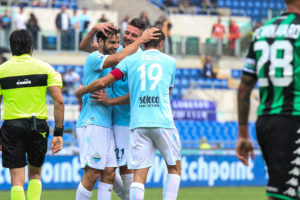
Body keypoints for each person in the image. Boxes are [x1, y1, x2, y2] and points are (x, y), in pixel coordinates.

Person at [76, 28, 181, 200]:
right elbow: (166, 93)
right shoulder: (170, 62)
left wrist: (82, 91)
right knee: (174, 168)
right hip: (162, 121)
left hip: (138, 124)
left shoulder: (130, 60)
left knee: (137, 177)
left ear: (143, 41)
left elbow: (104, 81)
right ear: (162, 43)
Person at [236, 0, 300, 199]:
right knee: (283, 194)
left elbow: (244, 89)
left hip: (266, 123)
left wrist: (243, 134)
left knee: (285, 191)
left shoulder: (261, 32)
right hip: (293, 121)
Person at [80, 18, 147, 200]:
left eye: (135, 35)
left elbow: (136, 94)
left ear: (142, 38)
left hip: (126, 122)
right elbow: (85, 47)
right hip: (107, 121)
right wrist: (94, 28)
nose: (129, 37)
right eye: (128, 33)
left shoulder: (141, 59)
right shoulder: (115, 49)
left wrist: (110, 101)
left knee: (123, 168)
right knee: (107, 171)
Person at [0, 30, 64, 200]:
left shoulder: (2, 71)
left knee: (16, 181)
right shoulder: (44, 68)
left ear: (11, 48)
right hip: (38, 126)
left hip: (12, 127)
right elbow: (59, 102)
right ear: (31, 47)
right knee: (35, 175)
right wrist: (58, 133)